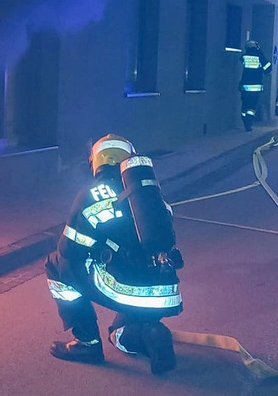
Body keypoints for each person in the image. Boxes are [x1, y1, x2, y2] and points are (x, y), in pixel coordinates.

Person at [46, 134, 183, 375]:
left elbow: (68, 250)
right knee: (118, 333)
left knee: (56, 265)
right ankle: (151, 332)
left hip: (126, 289)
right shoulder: (149, 194)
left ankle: (86, 342)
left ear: (96, 162)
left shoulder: (90, 194)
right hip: (165, 292)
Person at [239, 40, 272, 131]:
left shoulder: (243, 56)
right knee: (252, 106)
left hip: (245, 86)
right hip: (256, 86)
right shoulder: (259, 56)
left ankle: (244, 120)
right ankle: (249, 123)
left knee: (244, 105)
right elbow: (268, 68)